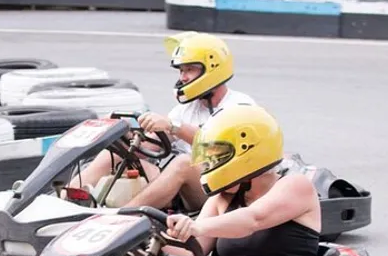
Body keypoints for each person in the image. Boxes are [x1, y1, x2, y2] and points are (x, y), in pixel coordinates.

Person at [23, 104, 322, 256]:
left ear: (248, 153)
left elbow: (252, 220)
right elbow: (188, 253)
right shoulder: (222, 198)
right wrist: (149, 240)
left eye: (218, 156)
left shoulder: (296, 186)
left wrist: (197, 226)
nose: (210, 164)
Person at [63, 31, 256, 213]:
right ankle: (65, 201)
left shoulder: (239, 106)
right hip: (183, 187)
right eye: (181, 71)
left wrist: (173, 126)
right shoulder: (187, 108)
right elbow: (150, 145)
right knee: (116, 155)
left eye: (190, 70)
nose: (183, 77)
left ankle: (122, 216)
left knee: (184, 163)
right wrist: (125, 135)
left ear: (213, 68)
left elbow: (224, 146)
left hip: (226, 192)